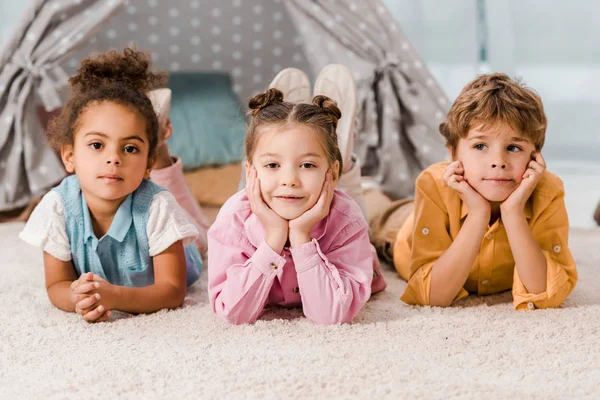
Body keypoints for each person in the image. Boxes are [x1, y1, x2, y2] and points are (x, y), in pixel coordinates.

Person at [19, 48, 202, 322]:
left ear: (146, 163)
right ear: (69, 157)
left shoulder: (158, 206)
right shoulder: (57, 206)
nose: (113, 159)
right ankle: (154, 139)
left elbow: (172, 291)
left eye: (129, 148)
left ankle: (162, 152)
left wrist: (114, 297)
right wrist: (80, 299)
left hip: (184, 251)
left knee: (207, 238)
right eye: (96, 145)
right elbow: (57, 285)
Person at [367, 73, 578, 310]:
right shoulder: (435, 184)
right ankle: (359, 185)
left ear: (535, 157)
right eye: (480, 146)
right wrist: (479, 214)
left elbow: (544, 293)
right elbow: (435, 297)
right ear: (453, 155)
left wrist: (513, 213)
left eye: (513, 147)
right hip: (401, 230)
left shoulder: (547, 193)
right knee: (371, 212)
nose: (498, 161)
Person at [207, 66, 385, 325]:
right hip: (260, 197)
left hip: (336, 209)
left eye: (307, 165)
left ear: (329, 173)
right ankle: (283, 164)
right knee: (251, 195)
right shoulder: (233, 219)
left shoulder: (346, 219)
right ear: (250, 171)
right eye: (272, 165)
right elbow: (232, 313)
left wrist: (300, 237)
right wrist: (274, 238)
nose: (290, 180)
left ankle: (344, 168)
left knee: (349, 200)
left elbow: (331, 316)